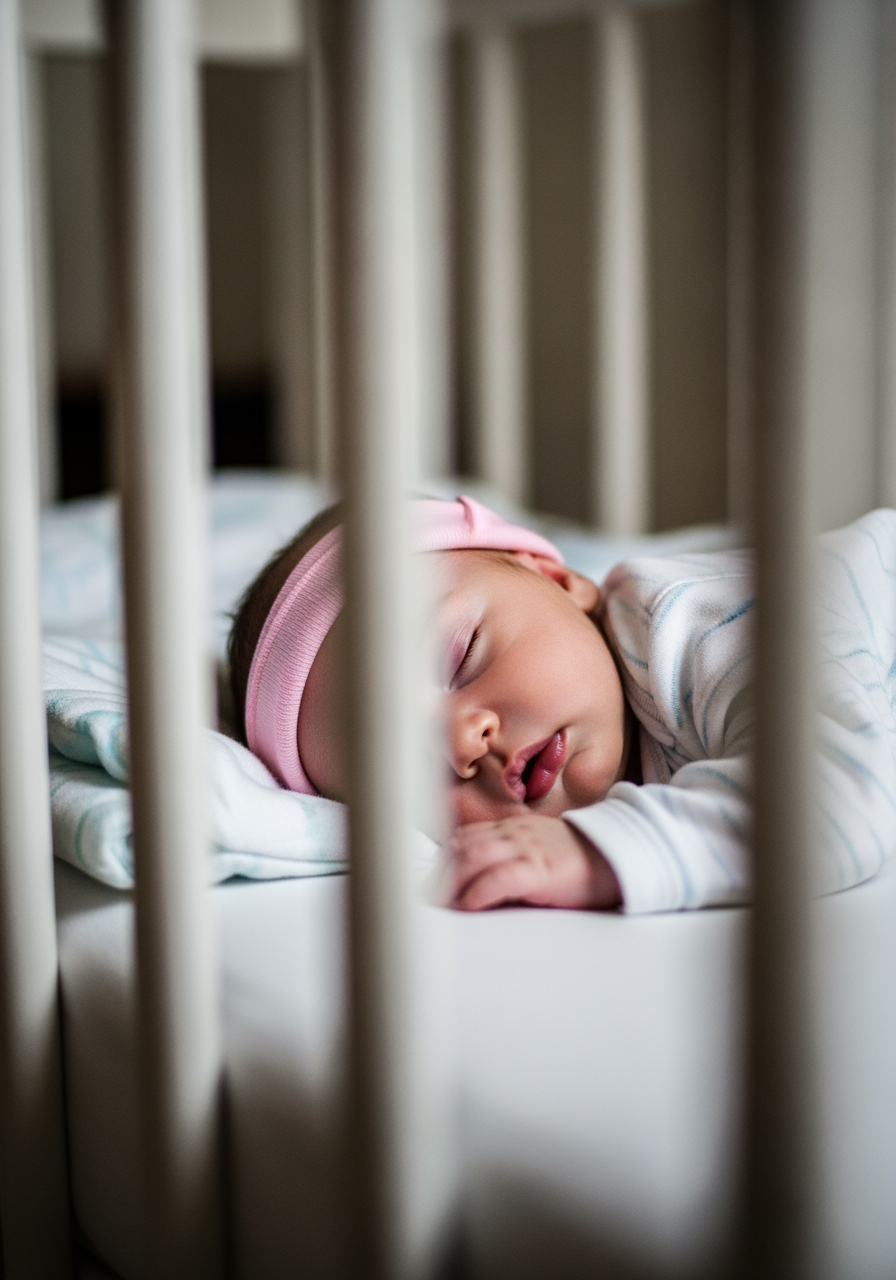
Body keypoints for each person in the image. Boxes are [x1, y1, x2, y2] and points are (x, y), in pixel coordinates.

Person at [228, 495, 896, 915]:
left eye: (457, 655)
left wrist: (604, 852)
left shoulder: (705, 627)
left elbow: (844, 791)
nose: (463, 741)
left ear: (559, 579)